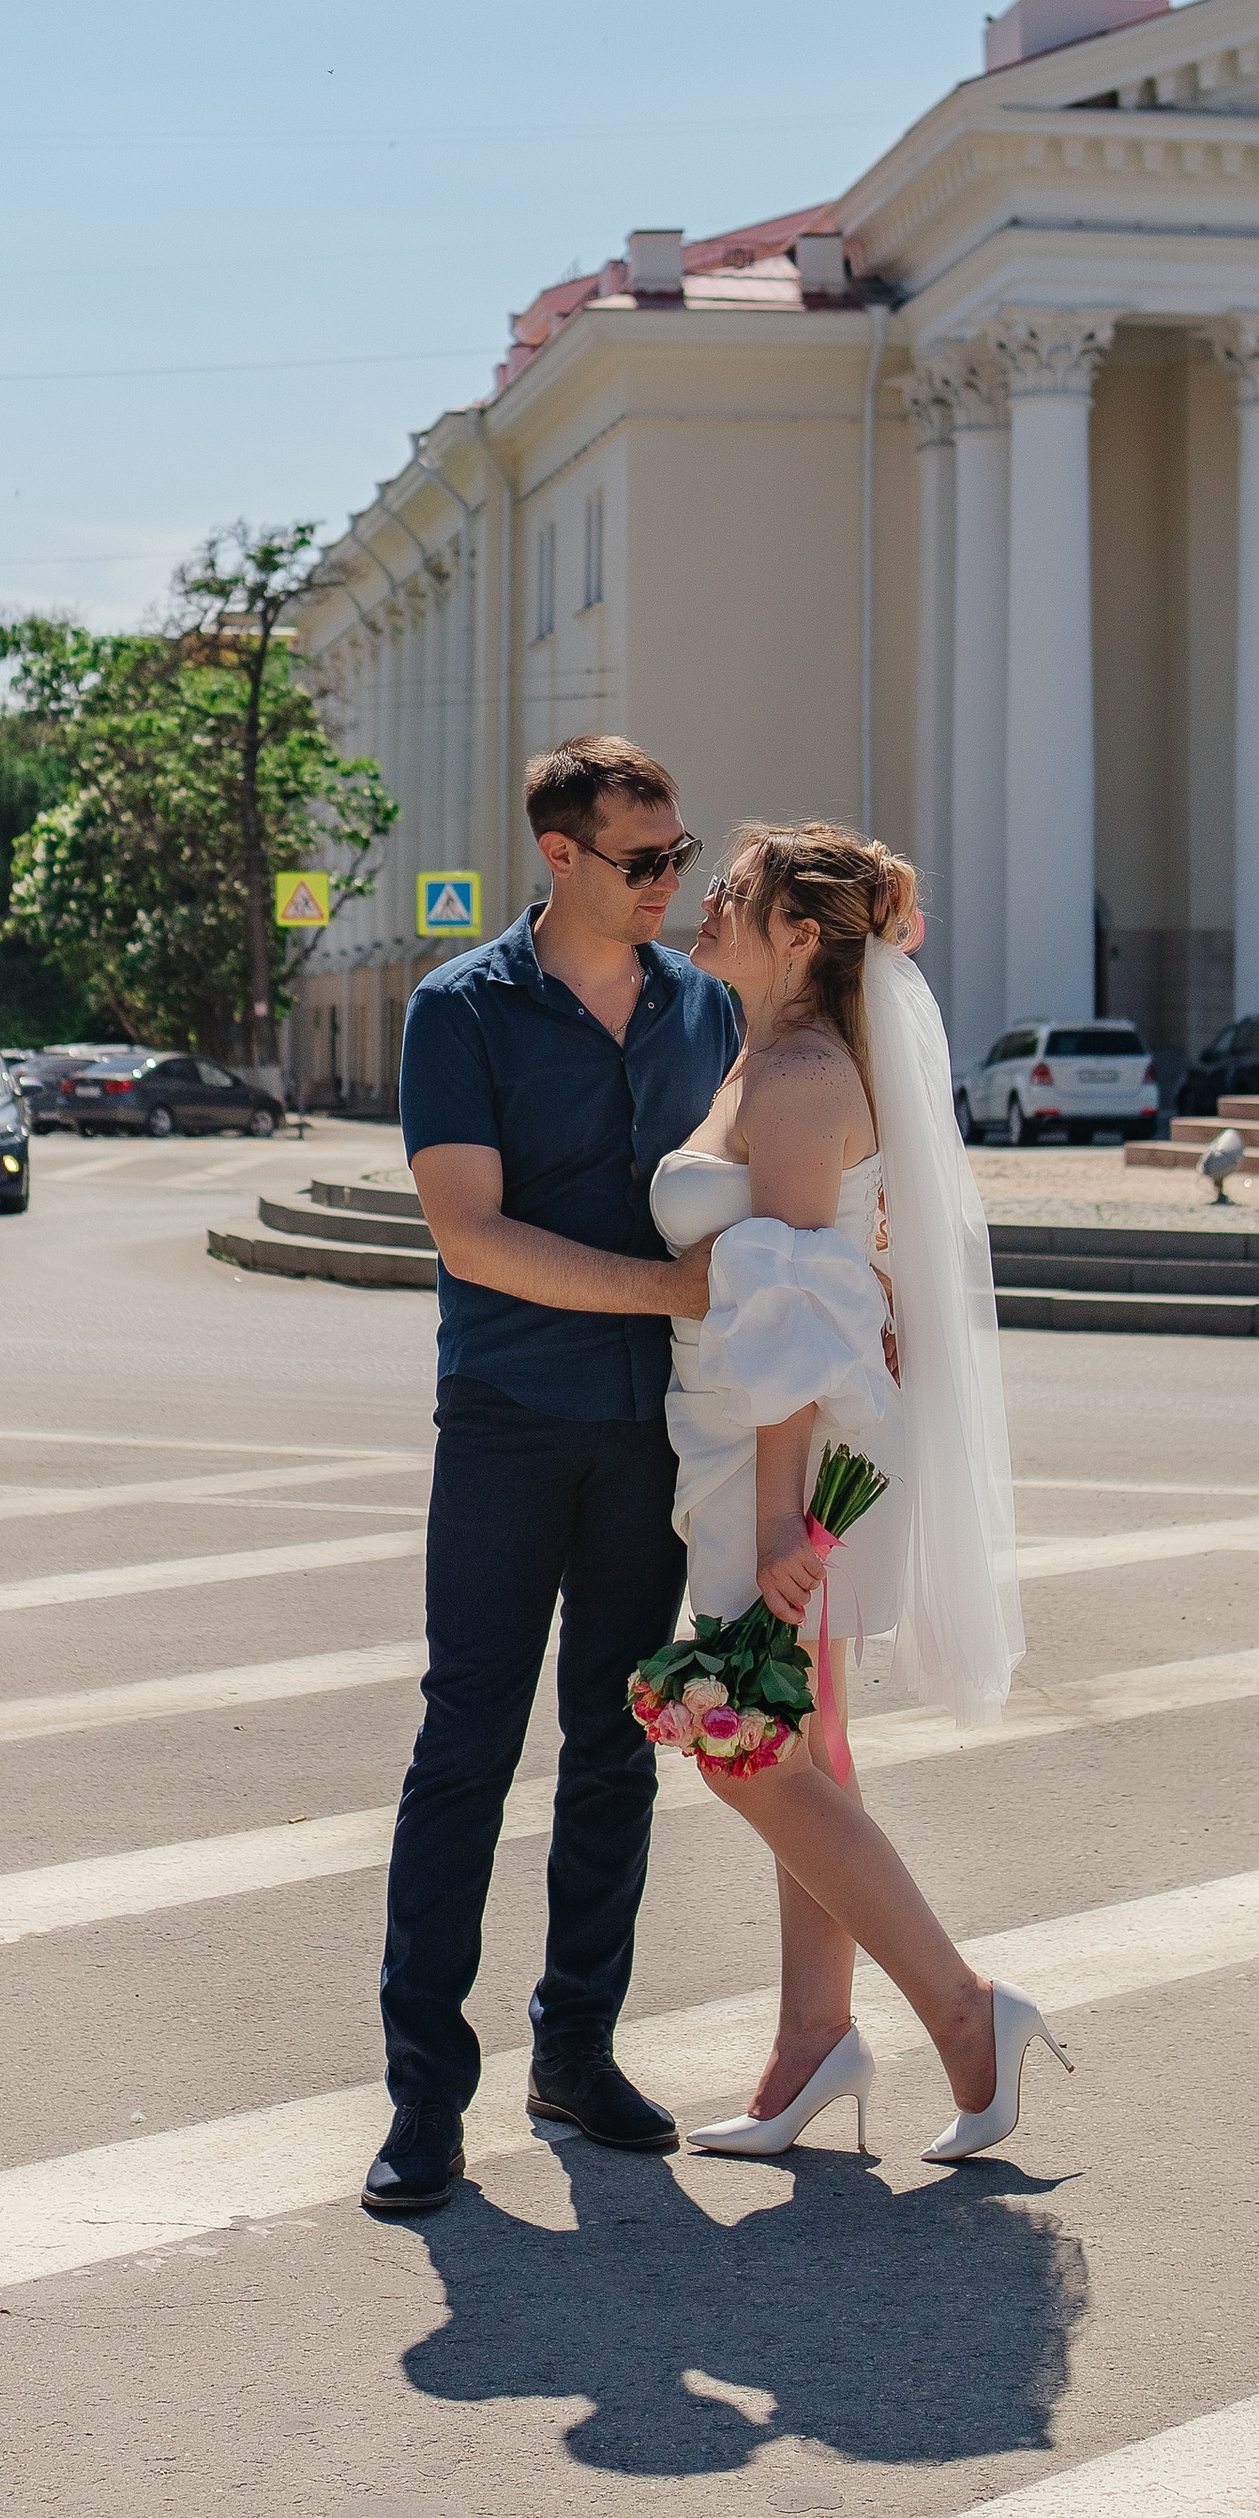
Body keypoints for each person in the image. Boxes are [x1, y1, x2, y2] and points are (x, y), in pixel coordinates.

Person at [650, 821, 1069, 2164]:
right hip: (745, 1437)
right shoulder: (768, 1057)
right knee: (802, 1747)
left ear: (797, 935)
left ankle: (962, 2010)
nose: (707, 902)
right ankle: (811, 2043)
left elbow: (792, 1317)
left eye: (735, 892)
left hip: (782, 1454)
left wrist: (780, 1523)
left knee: (743, 1739)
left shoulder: (805, 1076)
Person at [364, 735, 743, 2217]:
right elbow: (471, 1234)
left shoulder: (703, 1009)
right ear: (561, 855)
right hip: (512, 1420)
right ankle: (422, 2103)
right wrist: (673, 1294)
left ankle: (575, 2050)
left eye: (679, 857)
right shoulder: (462, 1010)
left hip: (659, 1434)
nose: (668, 883)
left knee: (613, 1751)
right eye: (643, 860)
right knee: (465, 1749)